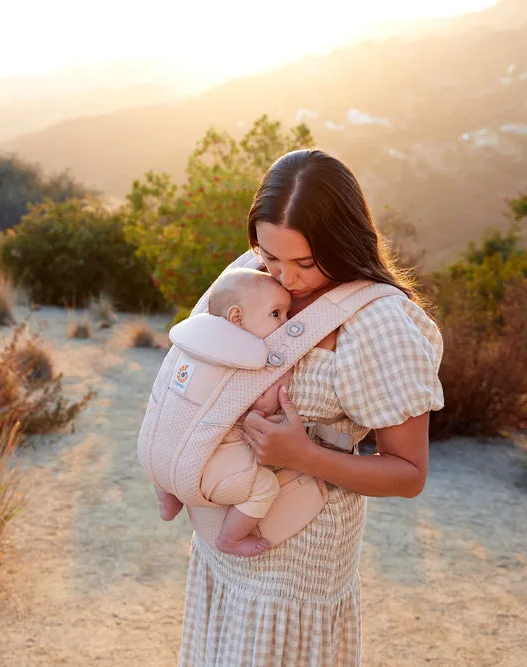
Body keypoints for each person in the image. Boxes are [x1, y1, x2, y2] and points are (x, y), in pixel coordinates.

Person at [177, 149, 444, 666]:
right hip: (223, 540)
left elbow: (409, 475)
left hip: (298, 564)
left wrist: (303, 455)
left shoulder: (379, 322)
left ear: (344, 241)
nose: (286, 279)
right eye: (271, 255)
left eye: (304, 262)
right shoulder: (250, 275)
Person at [155, 267, 293, 557]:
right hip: (202, 466)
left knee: (165, 446)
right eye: (276, 314)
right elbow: (264, 407)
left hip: (154, 453)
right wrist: (283, 378)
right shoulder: (248, 359)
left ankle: (167, 500)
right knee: (264, 486)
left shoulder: (192, 341)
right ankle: (230, 538)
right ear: (236, 318)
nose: (286, 322)